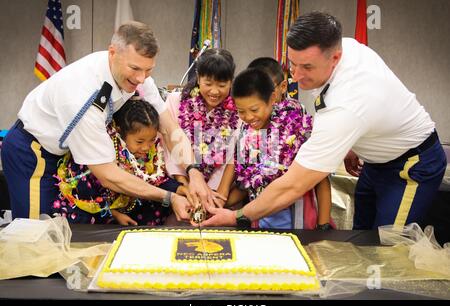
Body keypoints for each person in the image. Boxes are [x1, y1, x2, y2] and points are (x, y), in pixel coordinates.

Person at [202, 12, 447, 230]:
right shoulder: (345, 46)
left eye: (307, 67)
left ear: (335, 57)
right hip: (374, 163)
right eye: (292, 64)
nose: (296, 75)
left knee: (390, 247)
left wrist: (237, 217)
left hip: (411, 163)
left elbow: (293, 185)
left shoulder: (347, 103)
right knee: (362, 237)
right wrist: (350, 141)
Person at [1, 21, 215, 221]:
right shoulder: (84, 96)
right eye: (135, 69)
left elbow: (169, 128)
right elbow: (108, 175)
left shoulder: (138, 77)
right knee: (37, 233)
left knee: (62, 231)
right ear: (112, 53)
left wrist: (193, 171)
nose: (141, 78)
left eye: (148, 70)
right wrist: (169, 197)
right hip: (33, 152)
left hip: (65, 155)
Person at [222, 68, 331, 229]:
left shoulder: (295, 127)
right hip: (259, 220)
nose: (248, 117)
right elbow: (247, 184)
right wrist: (217, 205)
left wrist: (323, 226)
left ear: (272, 98)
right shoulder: (246, 133)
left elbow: (320, 177)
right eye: (241, 111)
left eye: (254, 110)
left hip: (297, 221)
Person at [53, 98, 190, 226]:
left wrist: (179, 189)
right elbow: (86, 192)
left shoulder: (150, 151)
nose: (146, 147)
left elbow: (154, 179)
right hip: (96, 208)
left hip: (129, 205)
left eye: (151, 140)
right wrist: (114, 214)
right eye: (139, 141)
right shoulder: (103, 151)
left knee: (156, 207)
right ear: (120, 132)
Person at [163, 48, 240, 208]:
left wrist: (219, 195)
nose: (214, 91)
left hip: (218, 193)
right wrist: (184, 186)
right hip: (181, 188)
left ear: (231, 81)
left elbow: (235, 154)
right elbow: (168, 144)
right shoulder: (175, 101)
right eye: (208, 83)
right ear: (198, 78)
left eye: (221, 85)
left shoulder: (239, 109)